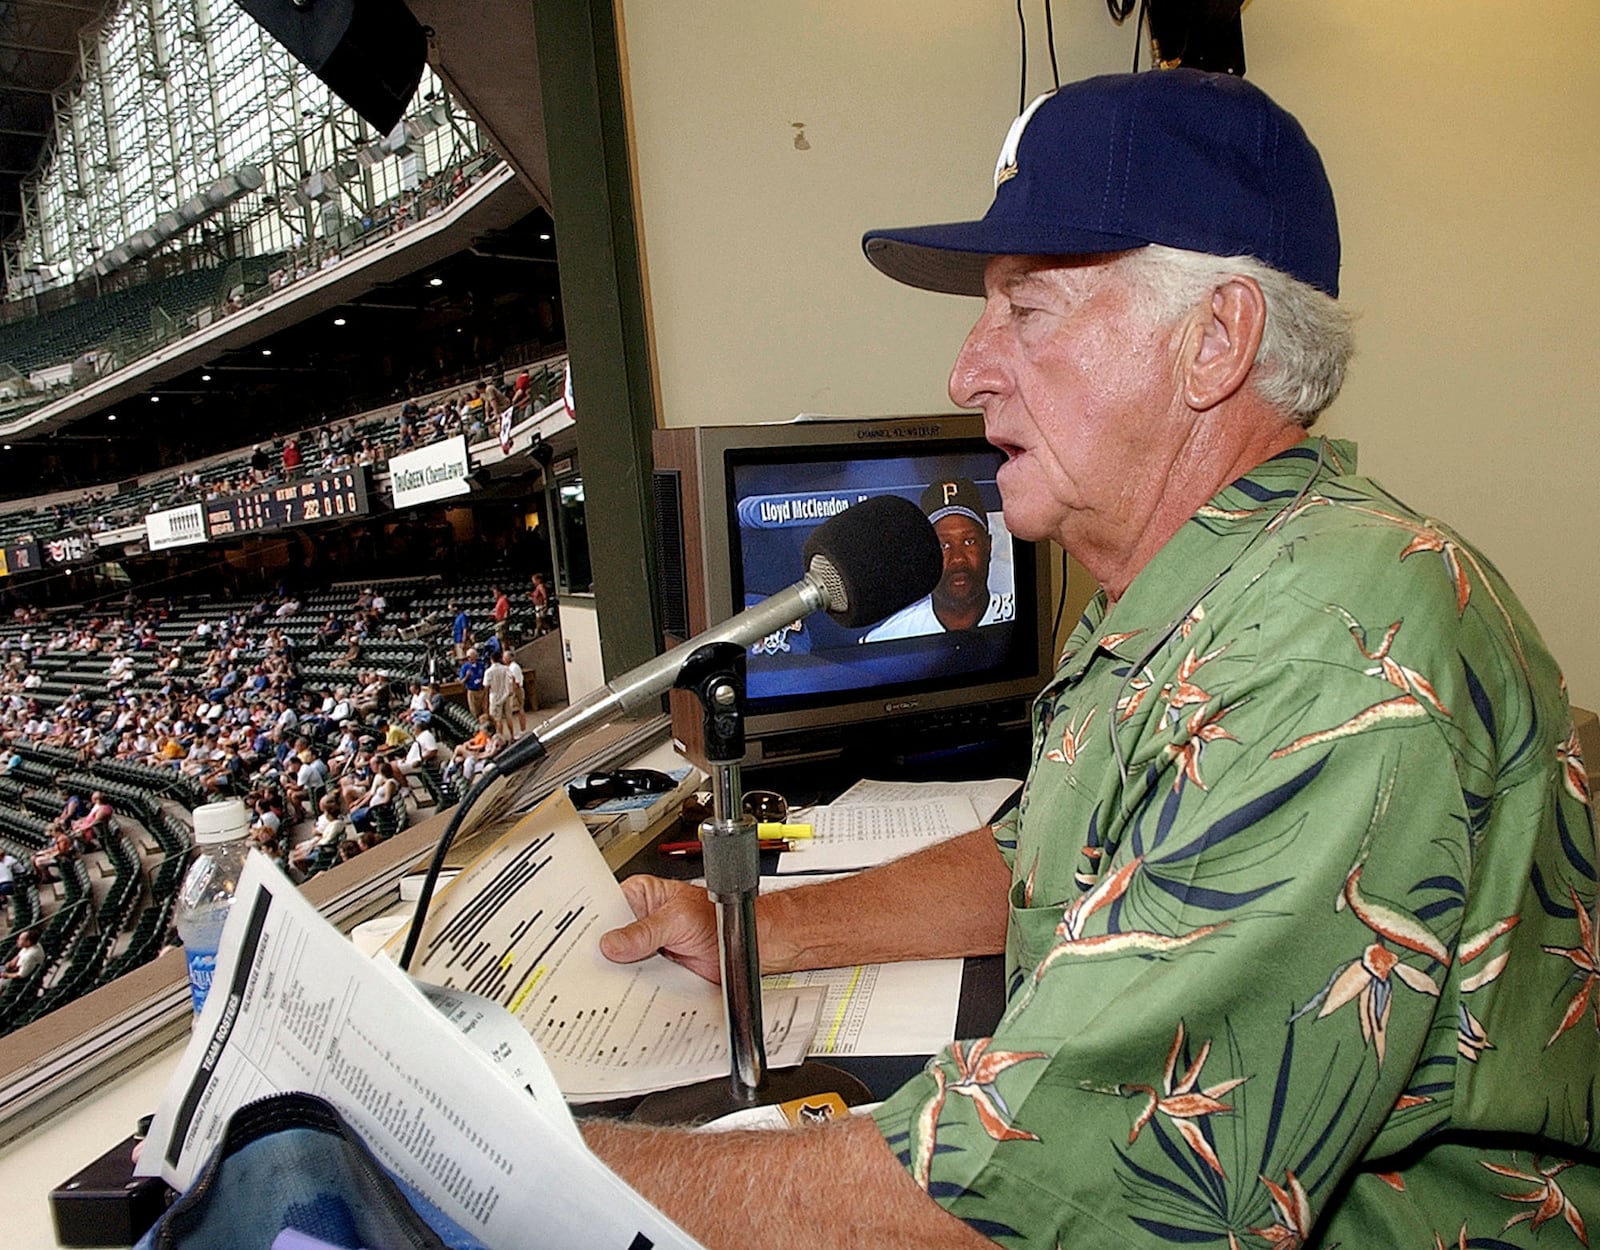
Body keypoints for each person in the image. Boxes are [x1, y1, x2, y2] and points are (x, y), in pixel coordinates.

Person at [588, 70, 1600, 1247]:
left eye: (1027, 312)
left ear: (1215, 339)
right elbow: (1047, 861)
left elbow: (1028, 1196)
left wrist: (533, 1171)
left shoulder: (1326, 655)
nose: (965, 372)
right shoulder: (1206, 580)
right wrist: (758, 933)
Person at [862, 477, 1013, 640]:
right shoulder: (888, 637)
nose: (958, 559)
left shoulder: (1024, 613)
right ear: (925, 552)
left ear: (988, 545)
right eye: (943, 545)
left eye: (969, 541)